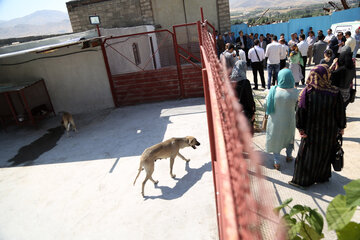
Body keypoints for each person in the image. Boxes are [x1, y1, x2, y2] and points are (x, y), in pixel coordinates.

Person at [290, 65, 346, 188]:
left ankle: (303, 180)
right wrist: (341, 127)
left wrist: (301, 128)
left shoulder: (307, 92)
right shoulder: (335, 92)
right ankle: (322, 176)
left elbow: (300, 112)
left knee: (308, 155)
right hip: (329, 131)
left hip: (311, 132)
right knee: (324, 154)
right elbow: (340, 112)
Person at [265, 69, 298, 170]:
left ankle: (277, 162)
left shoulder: (274, 91)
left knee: (277, 140)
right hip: (289, 121)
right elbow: (297, 107)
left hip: (275, 122)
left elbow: (266, 104)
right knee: (289, 138)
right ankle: (289, 156)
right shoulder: (296, 92)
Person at [230, 59, 256, 134]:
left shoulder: (230, 82)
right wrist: (253, 112)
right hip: (245, 113)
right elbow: (250, 99)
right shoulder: (245, 82)